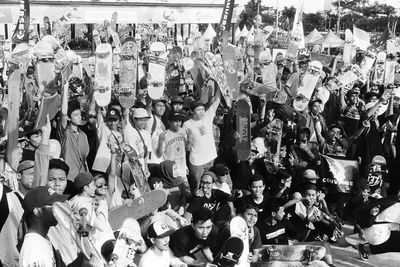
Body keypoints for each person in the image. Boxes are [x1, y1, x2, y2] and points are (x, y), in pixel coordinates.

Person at [18, 186, 97, 267]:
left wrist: (83, 257)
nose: (60, 209)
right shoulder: (33, 250)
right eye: (55, 205)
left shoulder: (44, 239)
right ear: (37, 211)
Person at [183, 89, 221, 193]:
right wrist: (189, 141)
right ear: (191, 111)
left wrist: (219, 82)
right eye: (198, 110)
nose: (202, 112)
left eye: (203, 109)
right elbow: (185, 147)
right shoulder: (187, 124)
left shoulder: (207, 117)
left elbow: (217, 100)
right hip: (197, 161)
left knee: (209, 186)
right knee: (196, 187)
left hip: (210, 158)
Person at [58, 97, 90, 182]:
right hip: (69, 177)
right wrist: (65, 88)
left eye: (80, 114)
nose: (79, 117)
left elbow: (85, 158)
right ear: (69, 118)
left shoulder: (83, 135)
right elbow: (63, 114)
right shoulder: (65, 133)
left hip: (83, 177)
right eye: (76, 115)